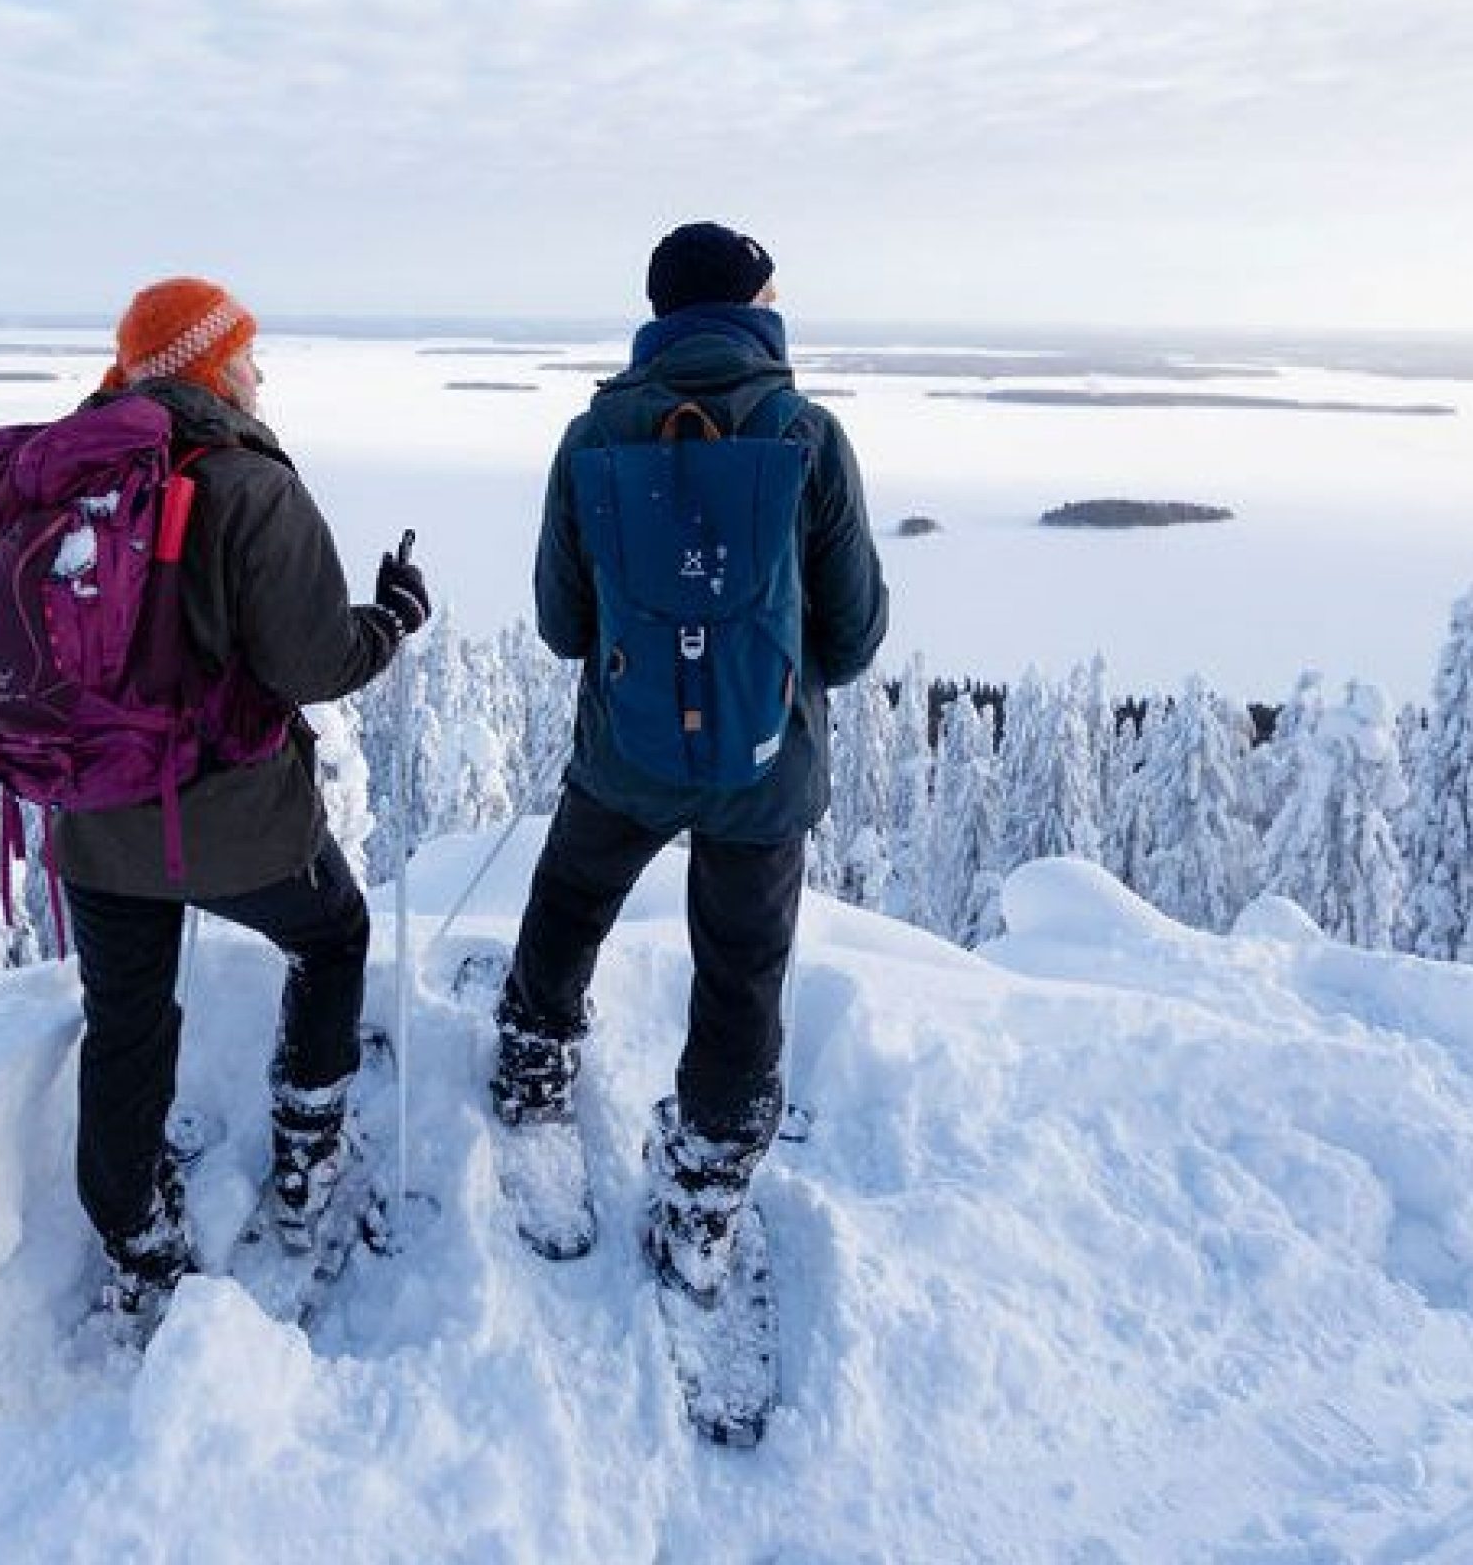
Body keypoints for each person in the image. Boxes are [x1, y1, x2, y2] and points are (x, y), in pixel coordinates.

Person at [492, 222, 888, 1299]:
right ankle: (707, 1185)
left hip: (627, 745)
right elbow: (852, 639)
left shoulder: (593, 435)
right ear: (756, 303)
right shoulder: (806, 434)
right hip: (765, 766)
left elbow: (563, 623)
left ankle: (533, 1061)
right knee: (742, 968)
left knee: (572, 894)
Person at [45, 278, 430, 1320]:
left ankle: (137, 1240)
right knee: (334, 935)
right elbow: (313, 658)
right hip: (230, 815)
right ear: (211, 367)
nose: (261, 375)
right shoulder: (250, 483)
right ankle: (306, 1152)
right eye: (249, 357)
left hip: (93, 815)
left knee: (123, 1022)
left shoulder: (66, 471)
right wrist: (390, 620)